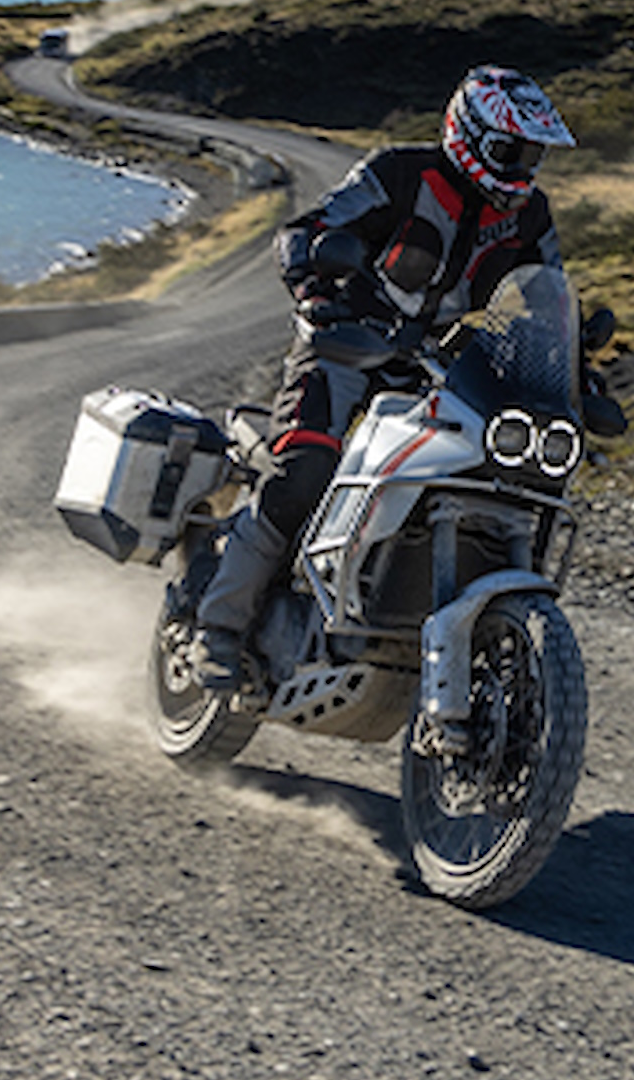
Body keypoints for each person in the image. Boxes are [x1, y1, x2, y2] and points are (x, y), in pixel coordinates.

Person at [191, 64, 578, 691]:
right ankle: (218, 630)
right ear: (472, 136)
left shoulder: (529, 215)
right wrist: (315, 290)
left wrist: (575, 368)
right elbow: (307, 232)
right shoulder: (400, 174)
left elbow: (546, 299)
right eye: (515, 150)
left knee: (479, 478)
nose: (526, 167)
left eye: (534, 154)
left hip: (435, 369)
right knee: (304, 472)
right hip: (344, 348)